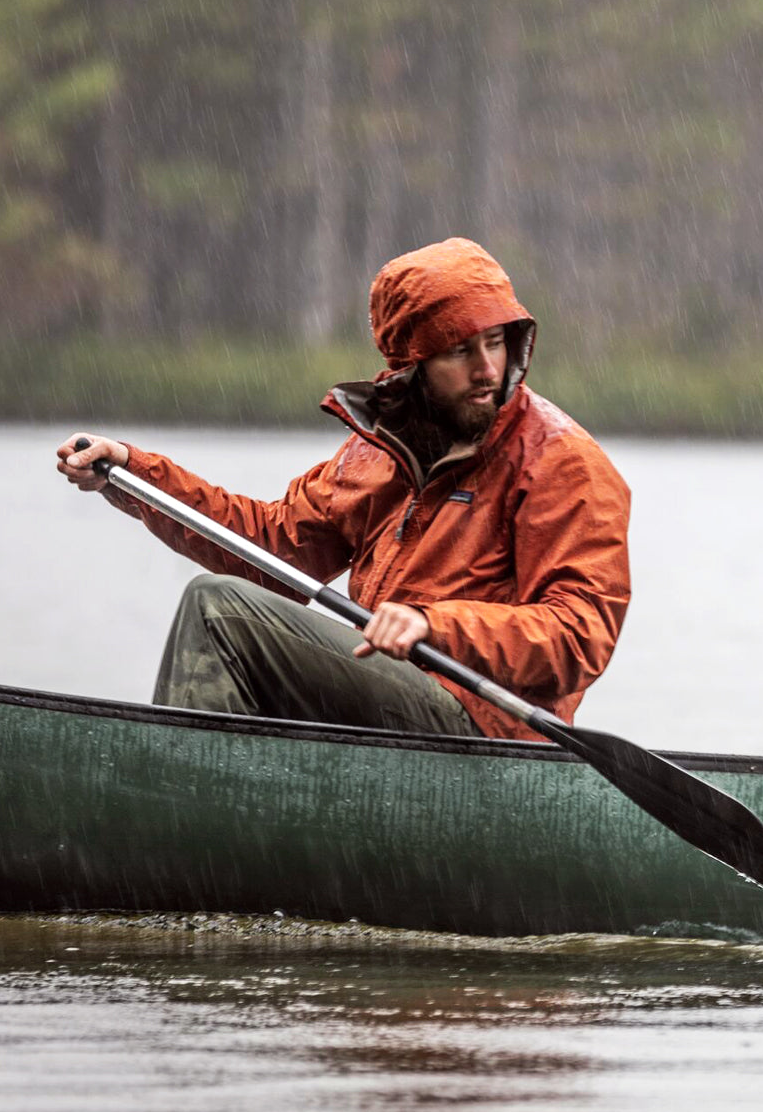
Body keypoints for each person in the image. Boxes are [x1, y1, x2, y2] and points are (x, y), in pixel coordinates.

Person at [57, 237, 630, 742]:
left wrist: (435, 625)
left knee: (218, 610)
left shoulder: (562, 462)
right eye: (460, 351)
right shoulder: (378, 453)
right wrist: (134, 475)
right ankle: (228, 799)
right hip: (384, 688)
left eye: (496, 342)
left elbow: (580, 635)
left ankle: (184, 801)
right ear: (411, 363)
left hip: (484, 726)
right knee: (228, 614)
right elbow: (273, 549)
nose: (487, 369)